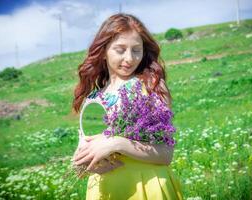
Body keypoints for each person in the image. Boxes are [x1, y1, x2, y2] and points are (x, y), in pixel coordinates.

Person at [72, 13, 183, 200]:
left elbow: (165, 154)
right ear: (104, 51)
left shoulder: (151, 85)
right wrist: (81, 164)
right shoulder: (93, 98)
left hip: (147, 187)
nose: (130, 58)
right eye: (120, 49)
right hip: (105, 190)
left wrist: (117, 143)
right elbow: (82, 164)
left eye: (136, 50)